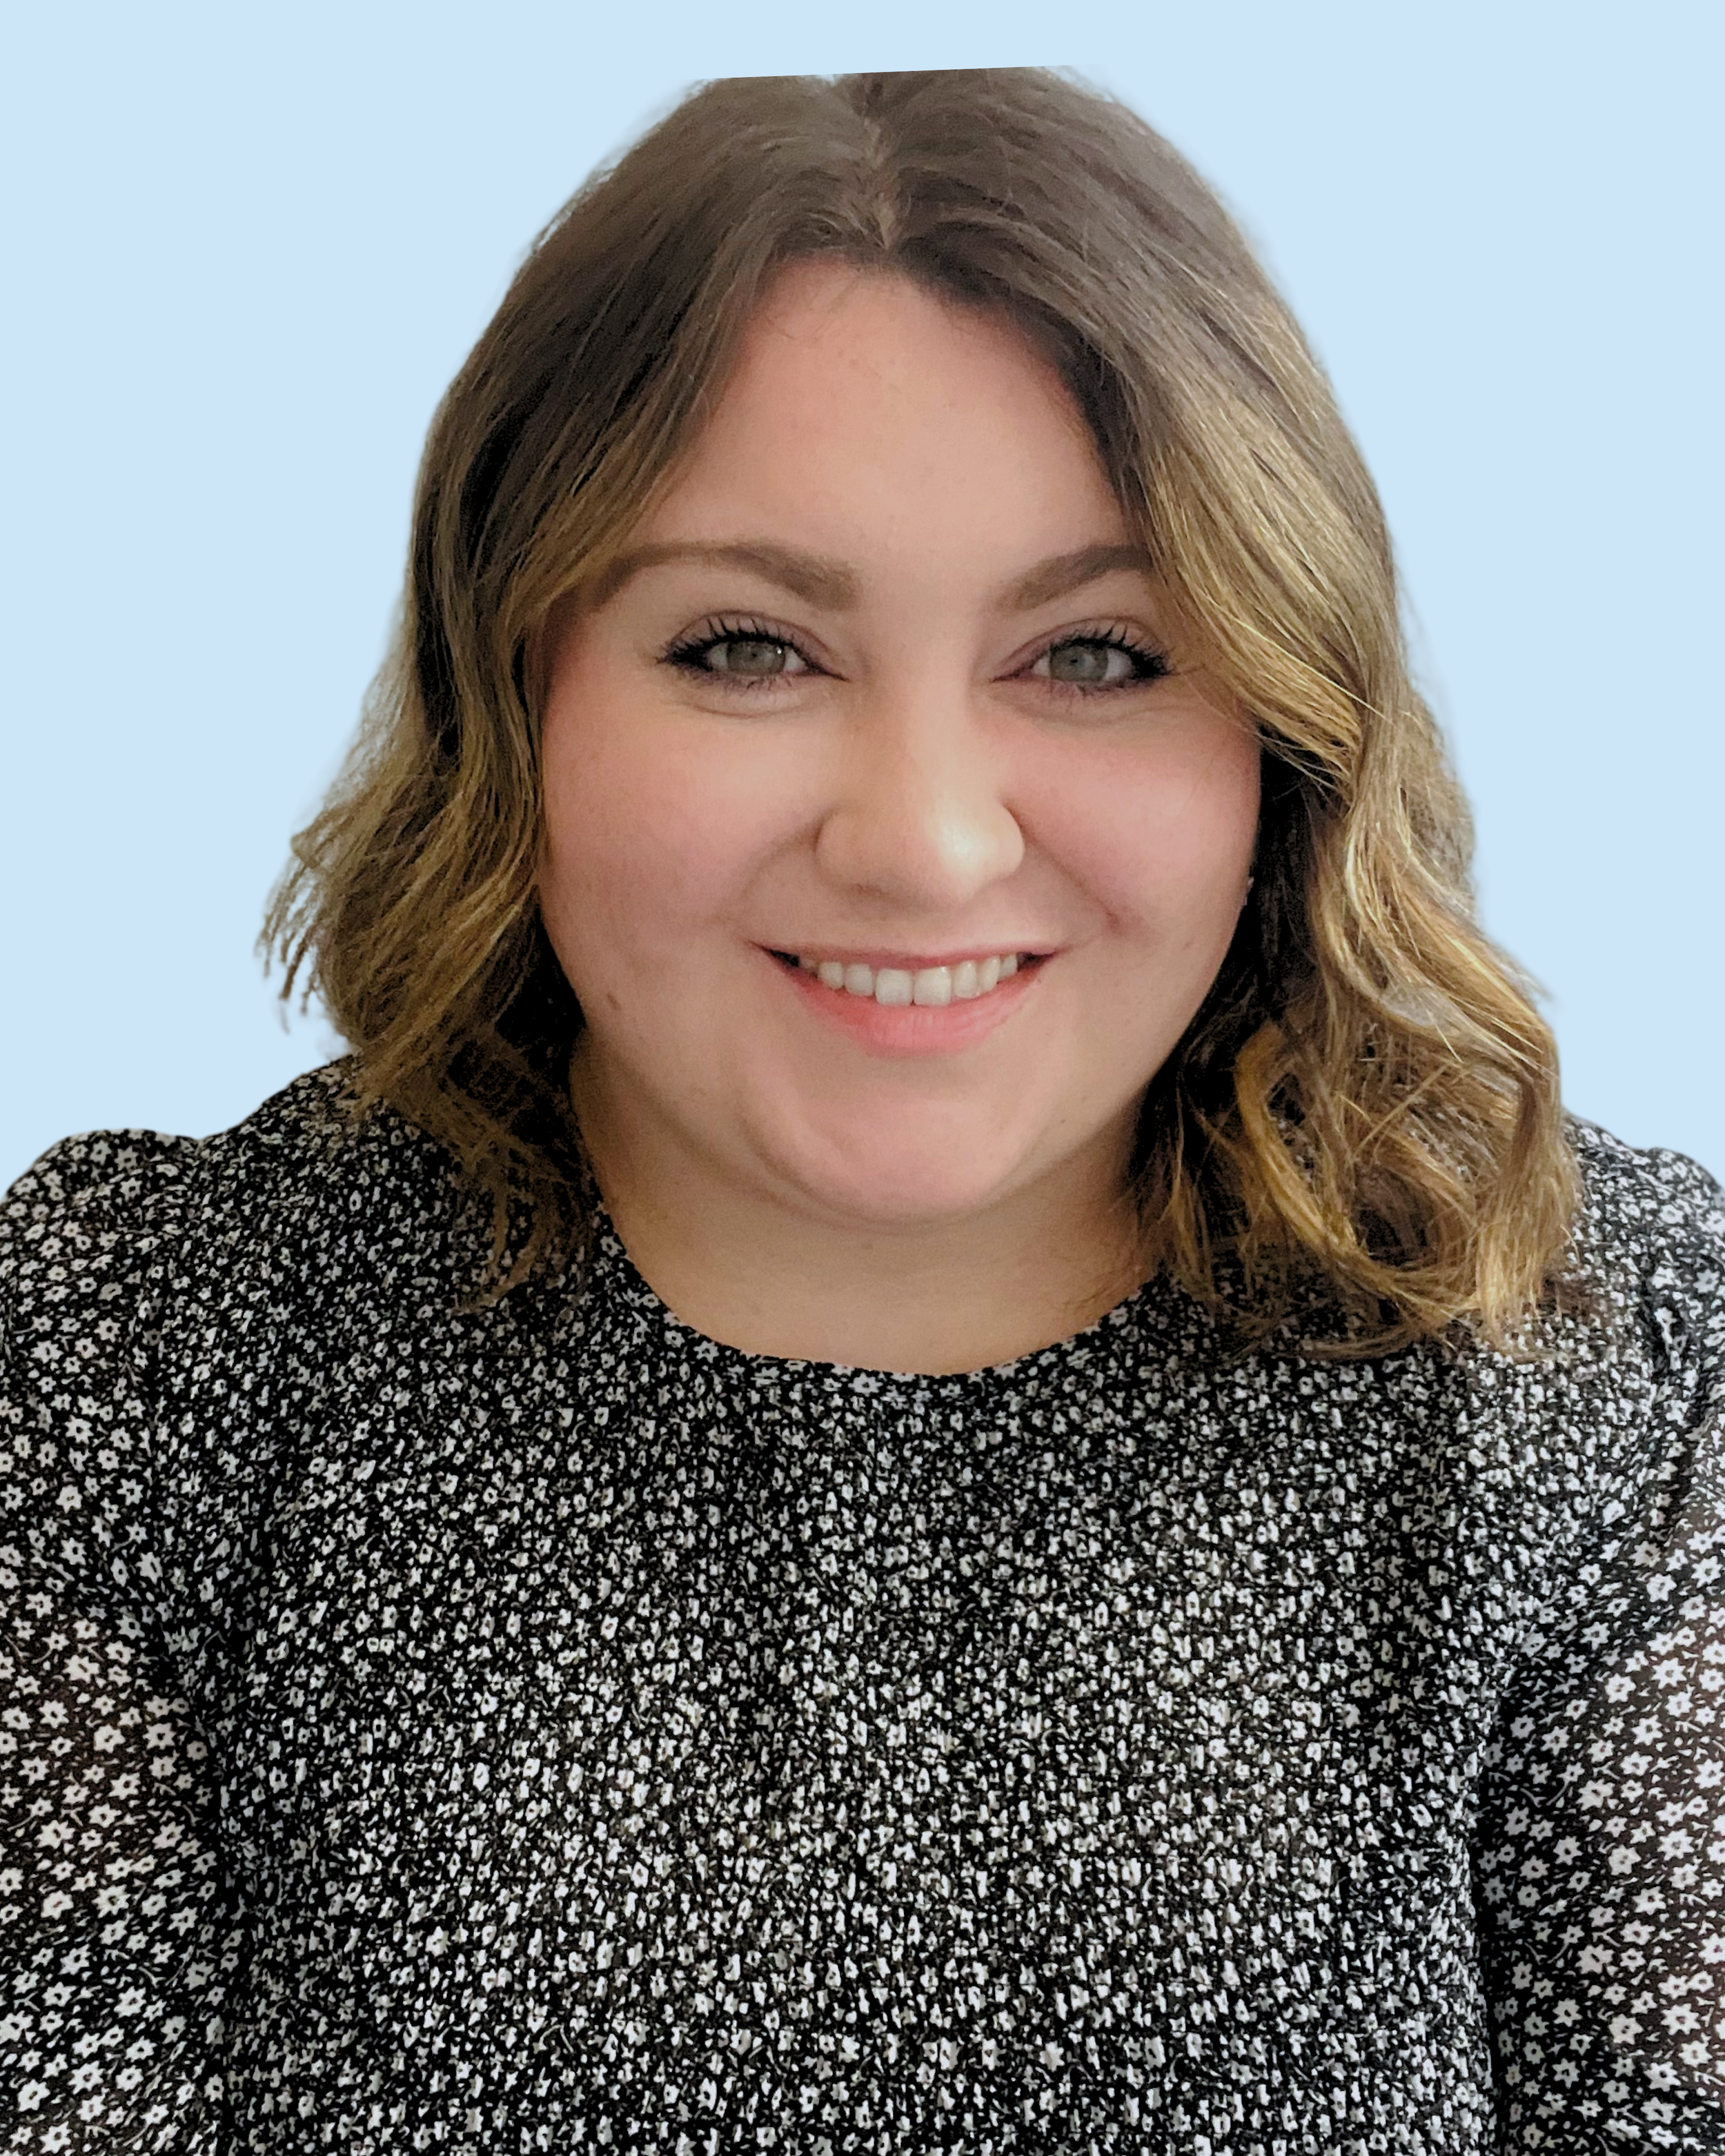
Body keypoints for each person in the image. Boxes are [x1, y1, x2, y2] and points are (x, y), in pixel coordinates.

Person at [1, 66, 1720, 2156]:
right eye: (746, 646)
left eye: (1094, 655)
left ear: (1280, 726)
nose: (920, 840)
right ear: (511, 681)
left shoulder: (1587, 1363)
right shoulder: (127, 1350)